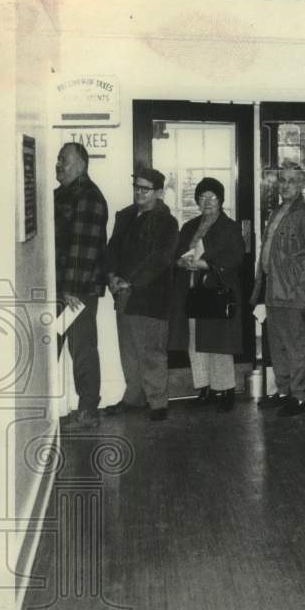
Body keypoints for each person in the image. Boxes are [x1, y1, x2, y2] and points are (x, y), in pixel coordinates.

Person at [250, 163, 305, 417]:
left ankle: (299, 396)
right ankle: (284, 391)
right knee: (277, 344)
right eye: (282, 181)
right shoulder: (278, 211)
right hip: (274, 289)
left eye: (290, 181)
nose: (285, 185)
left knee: (297, 344)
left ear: (301, 185)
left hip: (295, 292)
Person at [105, 167, 179, 422]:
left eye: (145, 189)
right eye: (136, 186)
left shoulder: (167, 222)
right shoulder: (124, 215)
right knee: (129, 350)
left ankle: (158, 403)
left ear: (158, 192)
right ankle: (134, 398)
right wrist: (112, 276)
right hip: (123, 295)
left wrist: (131, 282)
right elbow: (112, 248)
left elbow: (160, 259)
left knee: (152, 351)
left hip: (151, 297)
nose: (139, 192)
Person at [168, 177, 244, 413]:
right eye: (202, 197)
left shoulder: (229, 227)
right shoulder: (189, 227)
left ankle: (227, 391)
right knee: (194, 342)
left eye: (212, 197)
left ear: (221, 200)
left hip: (216, 292)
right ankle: (205, 389)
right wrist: (181, 261)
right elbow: (176, 254)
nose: (207, 201)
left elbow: (236, 257)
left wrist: (206, 265)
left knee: (218, 344)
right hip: (191, 292)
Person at [53, 142, 109, 431]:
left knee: (82, 348)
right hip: (68, 289)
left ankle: (88, 411)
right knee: (60, 345)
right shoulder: (68, 193)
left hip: (76, 291)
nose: (58, 164)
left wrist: (71, 290)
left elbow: (81, 249)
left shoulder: (87, 197)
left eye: (63, 159)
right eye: (58, 159)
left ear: (80, 164)